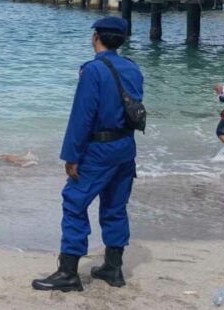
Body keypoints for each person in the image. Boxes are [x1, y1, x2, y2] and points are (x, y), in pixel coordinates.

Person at [32, 16, 143, 293]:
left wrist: (71, 155)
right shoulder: (133, 67)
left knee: (74, 202)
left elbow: (82, 116)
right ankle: (113, 268)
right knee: (115, 206)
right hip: (125, 146)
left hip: (99, 149)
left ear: (96, 38)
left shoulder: (93, 70)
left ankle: (68, 272)